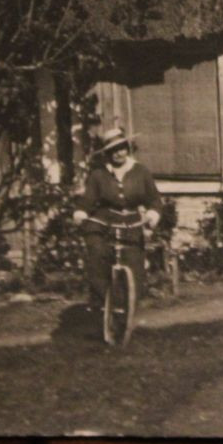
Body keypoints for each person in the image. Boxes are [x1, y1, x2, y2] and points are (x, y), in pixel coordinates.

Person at [72, 126, 161, 309]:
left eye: (121, 148)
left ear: (127, 148)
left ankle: (128, 306)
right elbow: (88, 200)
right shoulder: (99, 174)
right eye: (113, 150)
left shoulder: (141, 172)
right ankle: (102, 300)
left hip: (132, 222)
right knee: (97, 253)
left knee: (134, 262)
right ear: (107, 154)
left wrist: (152, 215)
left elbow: (154, 200)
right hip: (104, 222)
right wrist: (81, 213)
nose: (118, 154)